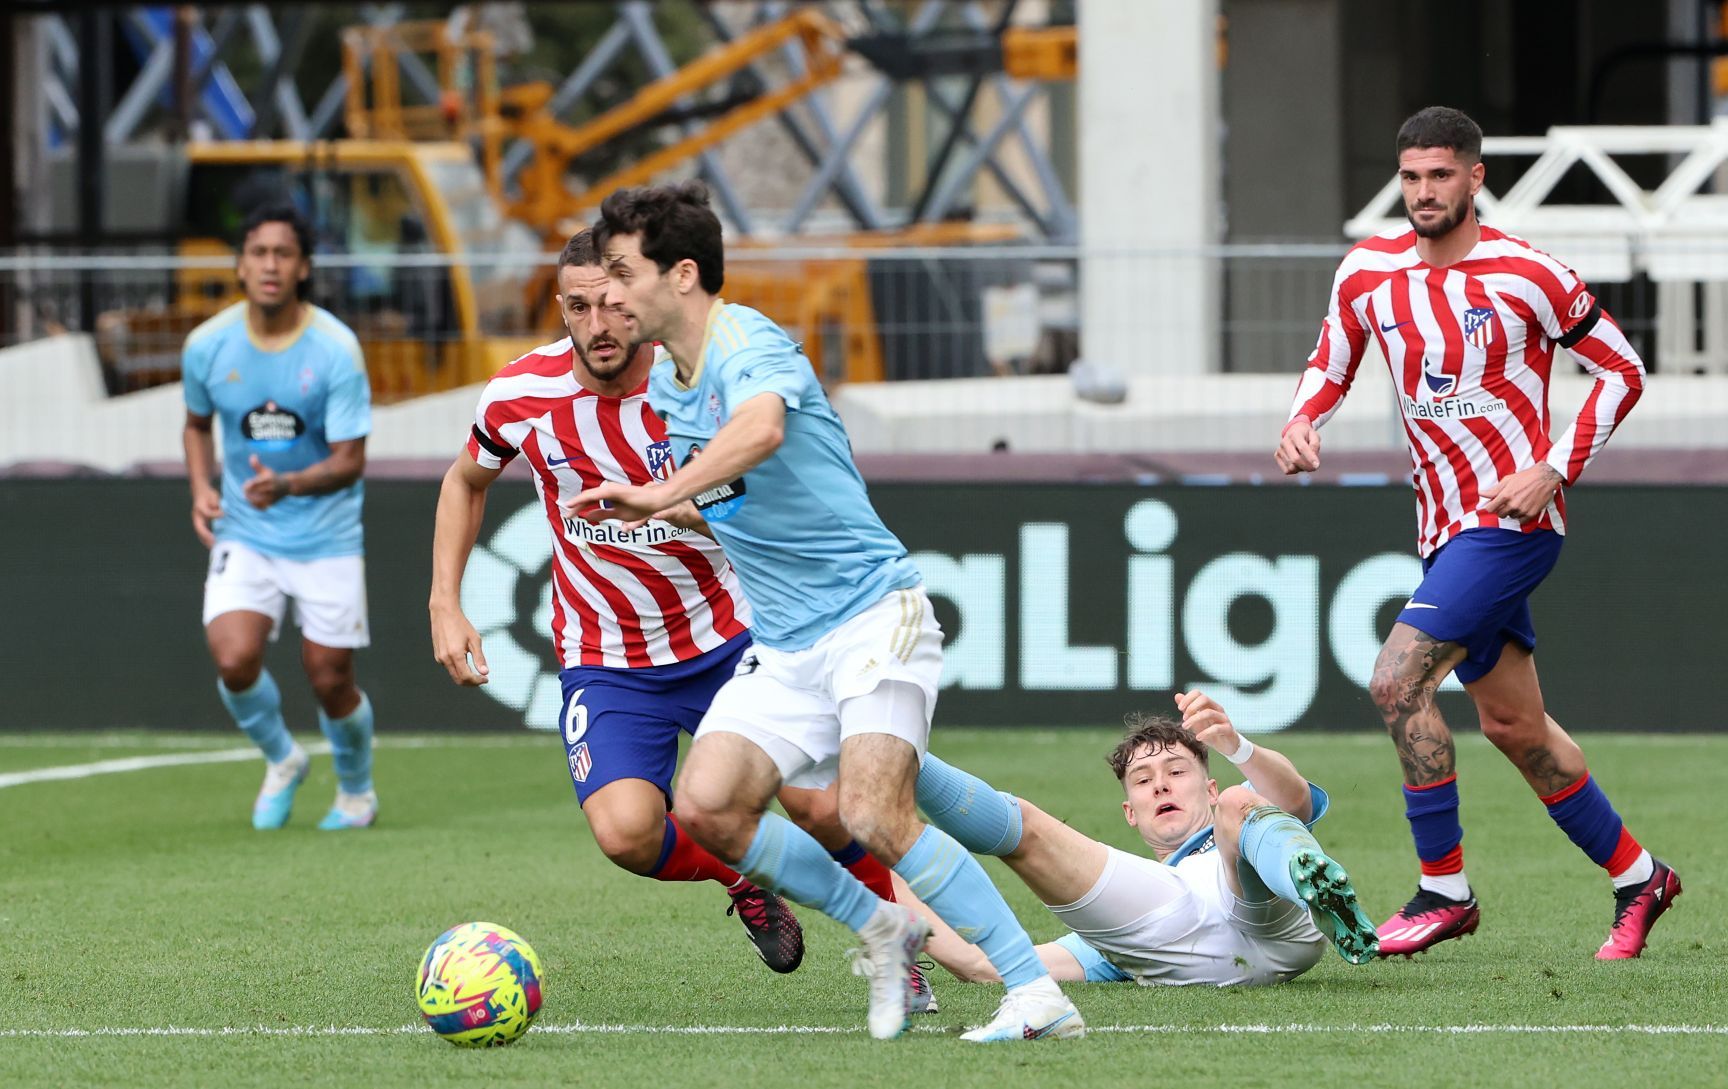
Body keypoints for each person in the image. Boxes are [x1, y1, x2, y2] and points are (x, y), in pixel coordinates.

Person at [566, 181, 1084, 1042]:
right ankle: (882, 925)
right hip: (787, 643)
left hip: (874, 614)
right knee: (707, 807)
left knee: (877, 812)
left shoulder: (747, 341)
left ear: (682, 274)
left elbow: (762, 430)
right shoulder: (668, 384)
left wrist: (662, 487)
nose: (610, 293)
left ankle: (1036, 991)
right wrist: (664, 510)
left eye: (623, 271)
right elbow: (737, 493)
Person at [429, 230, 933, 1001]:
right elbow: (466, 479)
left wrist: (688, 508)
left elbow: (773, 481)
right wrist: (445, 601)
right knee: (627, 832)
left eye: (610, 302)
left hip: (729, 635)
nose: (597, 323)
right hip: (606, 656)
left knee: (827, 808)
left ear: (640, 298)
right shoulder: (518, 397)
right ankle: (745, 869)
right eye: (577, 306)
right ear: (558, 309)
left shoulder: (695, 383)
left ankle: (899, 950)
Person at [1275, 106, 1679, 960]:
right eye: (1412, 177)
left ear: (1474, 177)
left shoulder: (1527, 272)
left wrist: (1555, 468)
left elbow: (1623, 368)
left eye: (1440, 176)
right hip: (1441, 527)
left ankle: (1443, 891)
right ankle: (1641, 876)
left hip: (1512, 521)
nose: (1423, 192)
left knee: (1395, 681)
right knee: (1515, 727)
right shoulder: (1369, 272)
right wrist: (1304, 417)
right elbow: (1331, 359)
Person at [911, 690, 1378, 986]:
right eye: (1143, 779)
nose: (1161, 784)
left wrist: (1237, 747)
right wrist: (883, 898)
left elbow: (1294, 799)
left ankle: (1312, 881)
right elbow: (983, 965)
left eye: (1176, 771)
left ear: (1206, 788)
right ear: (1130, 813)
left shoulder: (1231, 804)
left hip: (1271, 912)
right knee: (1028, 829)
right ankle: (898, 749)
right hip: (1179, 935)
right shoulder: (1136, 899)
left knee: (1242, 805)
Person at [181, 202, 377, 831]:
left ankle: (355, 793)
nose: (270, 264)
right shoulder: (207, 345)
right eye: (259, 252)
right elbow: (195, 424)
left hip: (326, 536)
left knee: (329, 678)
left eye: (283, 253)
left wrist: (288, 484)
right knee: (233, 659)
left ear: (303, 268)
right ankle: (283, 759)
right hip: (247, 530)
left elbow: (350, 461)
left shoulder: (336, 349)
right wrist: (200, 487)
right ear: (240, 265)